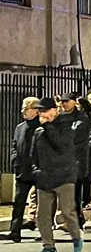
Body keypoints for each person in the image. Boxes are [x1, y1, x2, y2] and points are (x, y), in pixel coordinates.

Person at [30, 97, 83, 252]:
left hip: (64, 176)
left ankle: (76, 237)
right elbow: (33, 155)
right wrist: (35, 171)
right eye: (40, 111)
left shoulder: (65, 125)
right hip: (44, 178)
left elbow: (61, 145)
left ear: (55, 110)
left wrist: (47, 126)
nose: (43, 114)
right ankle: (48, 246)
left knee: (67, 211)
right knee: (43, 215)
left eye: (45, 110)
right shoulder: (38, 132)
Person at [0, 97, 41, 243]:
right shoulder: (20, 127)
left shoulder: (43, 127)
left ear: (36, 110)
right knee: (18, 203)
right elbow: (14, 146)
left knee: (42, 203)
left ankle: (43, 232)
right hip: (22, 170)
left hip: (39, 171)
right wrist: (15, 161)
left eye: (26, 109)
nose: (23, 112)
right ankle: (14, 231)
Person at [59, 92, 91, 229]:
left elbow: (84, 136)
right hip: (63, 161)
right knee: (66, 195)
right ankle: (74, 220)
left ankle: (77, 220)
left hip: (77, 161)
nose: (64, 104)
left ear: (74, 102)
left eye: (67, 101)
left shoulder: (82, 118)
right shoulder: (60, 118)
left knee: (75, 194)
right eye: (62, 101)